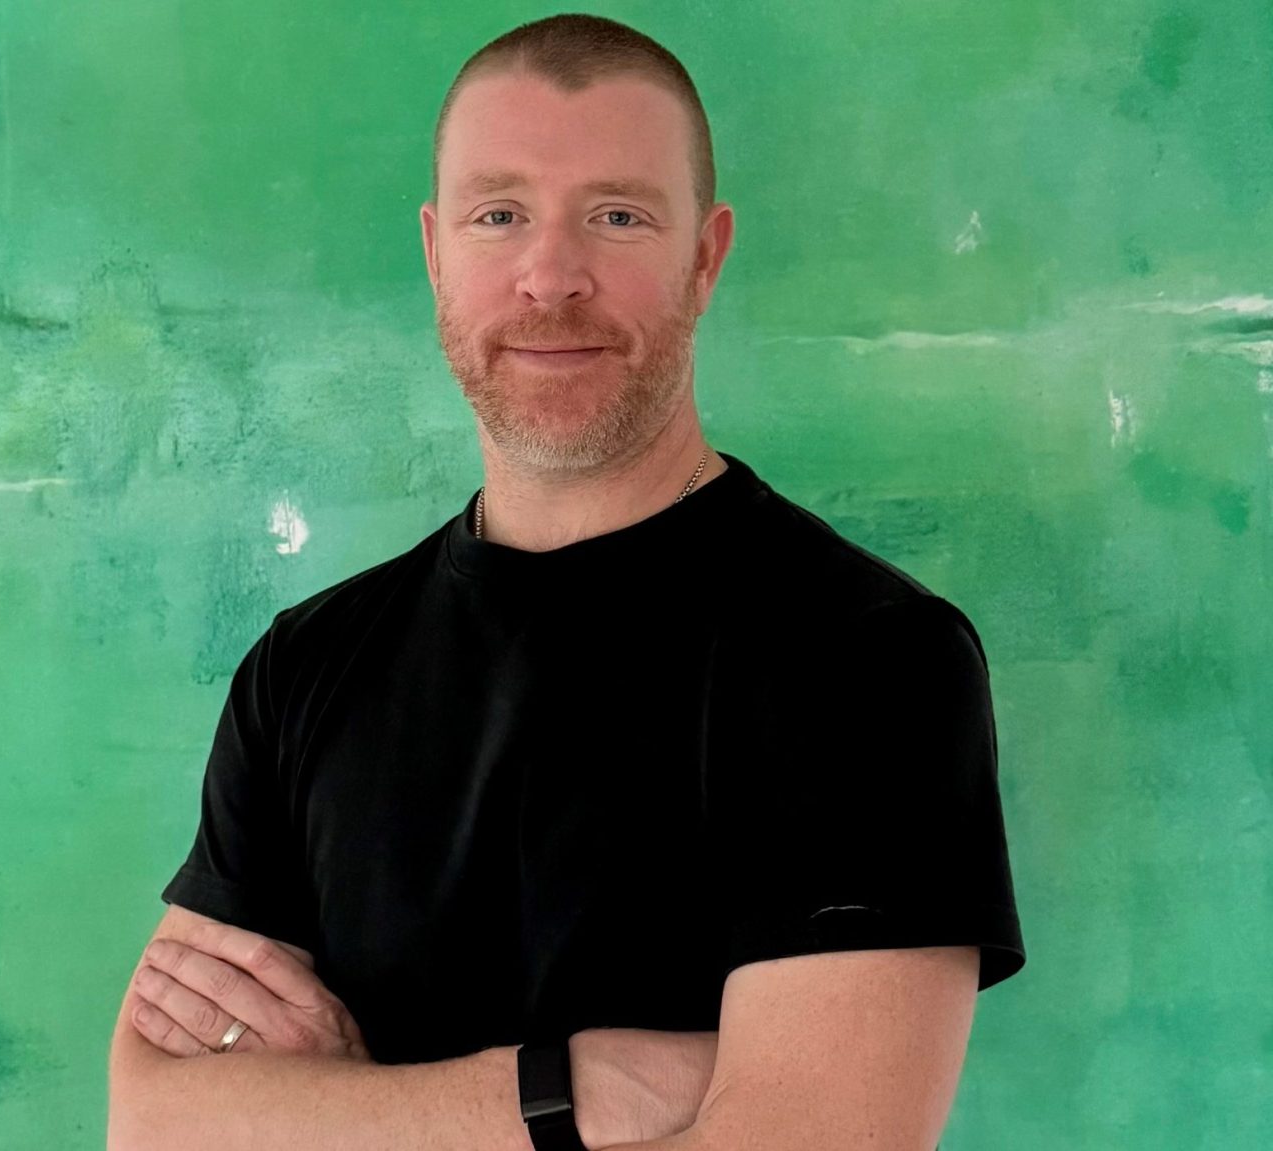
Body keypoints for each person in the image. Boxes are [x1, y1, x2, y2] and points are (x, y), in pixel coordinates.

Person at [108, 13, 1026, 1151]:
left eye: (618, 216)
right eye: (501, 215)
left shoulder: (869, 660)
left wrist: (328, 1113)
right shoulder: (304, 667)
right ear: (437, 251)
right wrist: (571, 1088)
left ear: (706, 254)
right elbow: (155, 1122)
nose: (552, 276)